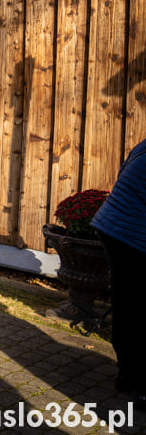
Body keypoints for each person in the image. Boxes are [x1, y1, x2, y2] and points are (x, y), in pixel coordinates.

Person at [91, 138, 146, 410]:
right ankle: (138, 380)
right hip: (129, 233)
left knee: (127, 302)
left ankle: (128, 375)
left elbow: (122, 172)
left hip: (113, 226)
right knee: (134, 305)